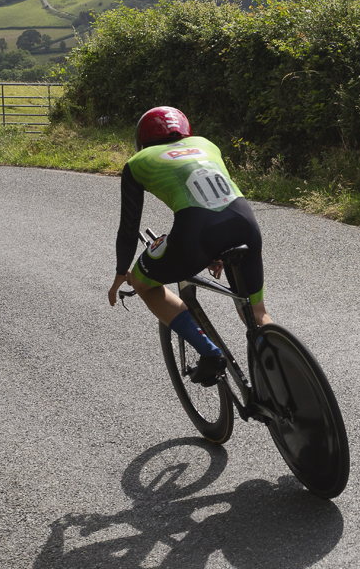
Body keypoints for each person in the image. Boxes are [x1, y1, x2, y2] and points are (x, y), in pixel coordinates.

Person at [107, 106, 271, 385]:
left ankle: (209, 354)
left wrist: (122, 272)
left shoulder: (139, 162)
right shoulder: (207, 145)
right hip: (245, 223)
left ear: (143, 140)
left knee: (142, 281)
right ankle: (285, 382)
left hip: (197, 232)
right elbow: (215, 199)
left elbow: (129, 227)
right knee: (256, 313)